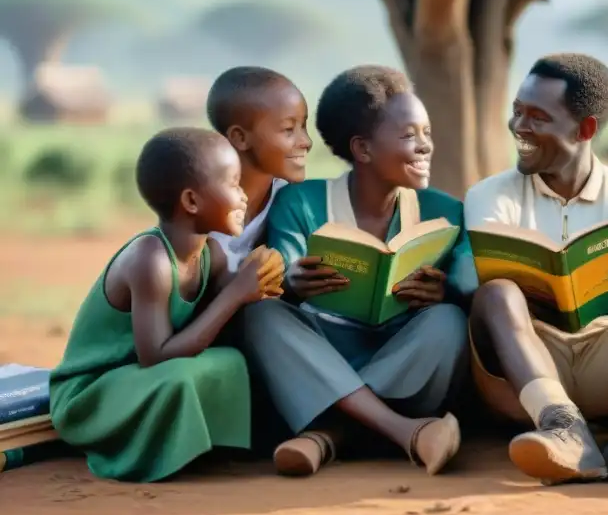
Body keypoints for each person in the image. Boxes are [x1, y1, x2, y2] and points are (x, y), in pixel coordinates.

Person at [464, 53, 608, 485]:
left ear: (585, 129)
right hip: (526, 362)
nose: (519, 127)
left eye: (538, 118)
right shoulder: (491, 194)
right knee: (496, 292)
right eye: (517, 112)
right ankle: (561, 427)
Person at [241, 65, 474, 478]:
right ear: (363, 149)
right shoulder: (303, 202)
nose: (424, 147)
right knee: (261, 315)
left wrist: (447, 292)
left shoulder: (447, 211)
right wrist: (292, 283)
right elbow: (279, 269)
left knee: (448, 322)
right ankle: (403, 432)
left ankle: (327, 436)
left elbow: (469, 281)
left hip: (405, 359)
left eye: (427, 133)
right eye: (408, 136)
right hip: (322, 355)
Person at [49, 128, 284, 482]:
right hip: (94, 393)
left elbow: (229, 308)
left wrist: (263, 277)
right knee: (178, 378)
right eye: (233, 184)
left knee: (233, 359)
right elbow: (155, 355)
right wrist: (235, 294)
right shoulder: (151, 260)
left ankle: (215, 448)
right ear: (191, 201)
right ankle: (152, 452)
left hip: (143, 380)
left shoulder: (211, 254)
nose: (243, 197)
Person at [206, 66, 312, 270]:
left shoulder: (288, 201)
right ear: (240, 137)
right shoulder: (201, 206)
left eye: (303, 127)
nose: (306, 141)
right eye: (288, 129)